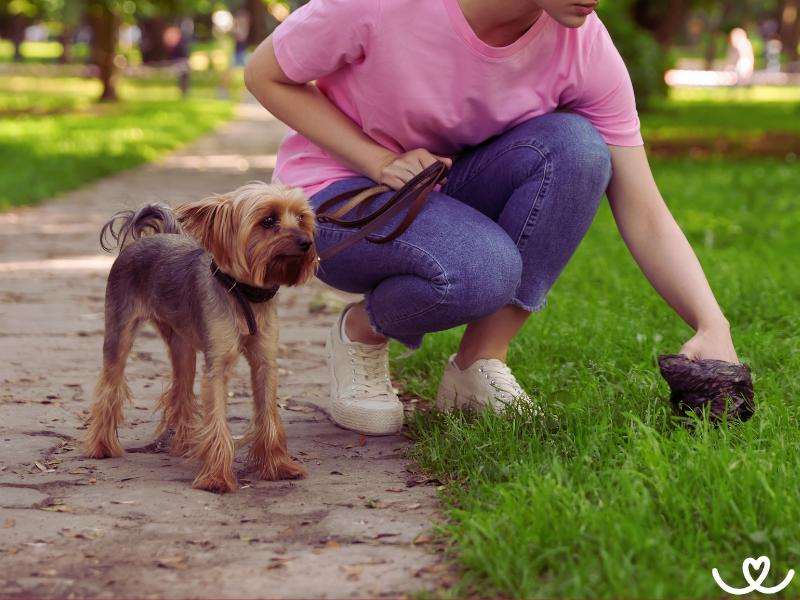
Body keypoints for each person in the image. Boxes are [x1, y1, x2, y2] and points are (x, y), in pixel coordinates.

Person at [245, 0, 741, 436]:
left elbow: (645, 210)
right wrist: (376, 159)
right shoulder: (380, 5)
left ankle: (477, 363)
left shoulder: (584, 44)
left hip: (438, 189)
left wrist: (710, 323)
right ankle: (362, 332)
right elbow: (263, 73)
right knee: (484, 270)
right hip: (333, 202)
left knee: (580, 150)